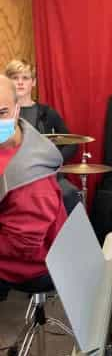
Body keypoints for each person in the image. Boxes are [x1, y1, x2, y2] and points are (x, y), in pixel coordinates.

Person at [0, 75, 67, 299]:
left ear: (18, 109)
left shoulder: (31, 181)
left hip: (33, 263)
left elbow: (22, 247)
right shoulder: (17, 134)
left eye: (2, 113)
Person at [4, 59, 81, 213]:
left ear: (33, 82)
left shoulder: (46, 112)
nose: (20, 82)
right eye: (15, 78)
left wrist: (50, 160)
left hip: (45, 176)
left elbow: (73, 143)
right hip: (10, 176)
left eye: (25, 78)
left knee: (69, 193)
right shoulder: (3, 113)